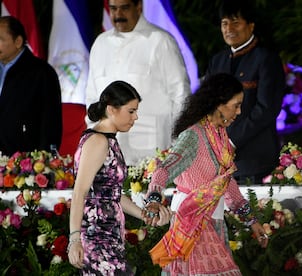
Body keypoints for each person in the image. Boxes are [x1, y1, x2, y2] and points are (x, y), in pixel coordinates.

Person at [145, 73, 268, 275]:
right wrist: (154, 198)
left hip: (213, 223)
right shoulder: (193, 136)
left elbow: (226, 184)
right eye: (236, 105)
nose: (239, 111)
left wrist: (252, 221)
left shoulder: (220, 137)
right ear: (219, 103)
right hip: (191, 224)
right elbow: (164, 169)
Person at [67, 80, 172, 274]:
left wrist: (145, 215)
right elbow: (79, 192)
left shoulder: (108, 141)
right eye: (131, 111)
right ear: (112, 109)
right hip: (97, 240)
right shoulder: (98, 141)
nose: (136, 117)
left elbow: (111, 193)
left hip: (108, 237)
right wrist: (74, 240)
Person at [86, 0, 191, 165]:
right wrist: (95, 138)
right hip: (107, 154)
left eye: (124, 8)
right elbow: (92, 97)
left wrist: (178, 144)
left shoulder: (160, 41)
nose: (118, 15)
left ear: (138, 7)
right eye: (113, 9)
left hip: (152, 154)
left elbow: (181, 94)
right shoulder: (100, 44)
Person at [205, 0, 286, 184]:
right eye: (224, 23)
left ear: (251, 25)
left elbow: (266, 109)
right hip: (218, 162)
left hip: (254, 159)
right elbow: (206, 105)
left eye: (236, 22)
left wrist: (232, 140)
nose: (229, 28)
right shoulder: (217, 61)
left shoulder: (266, 59)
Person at [0, 16, 62, 157]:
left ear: (18, 41)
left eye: (0, 39)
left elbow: (50, 125)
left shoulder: (42, 73)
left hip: (24, 166)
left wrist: (43, 162)